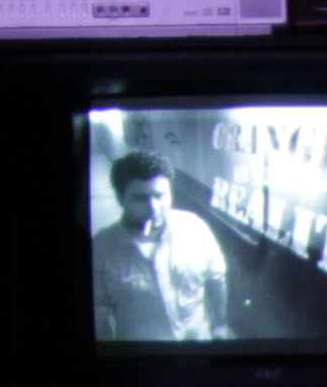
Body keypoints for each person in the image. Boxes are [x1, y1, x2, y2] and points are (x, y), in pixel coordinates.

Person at [88, 148, 236, 345]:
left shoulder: (195, 227)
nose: (153, 208)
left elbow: (216, 280)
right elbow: (99, 312)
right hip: (144, 356)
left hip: (199, 344)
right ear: (120, 198)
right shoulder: (100, 248)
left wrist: (220, 325)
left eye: (160, 196)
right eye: (140, 198)